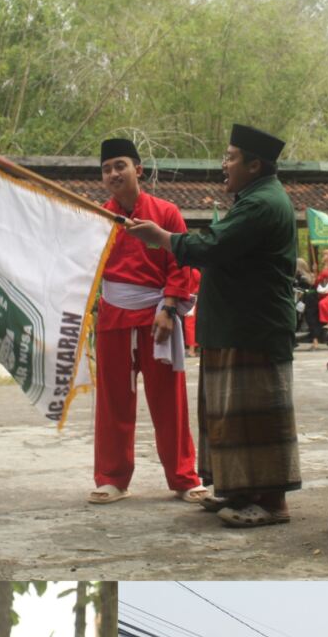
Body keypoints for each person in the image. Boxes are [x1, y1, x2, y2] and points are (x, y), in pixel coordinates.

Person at [126, 124, 300, 528]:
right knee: (232, 413)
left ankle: (273, 502)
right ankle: (240, 490)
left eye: (231, 157)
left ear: (255, 165)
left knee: (258, 416)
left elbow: (213, 246)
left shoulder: (262, 204)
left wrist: (164, 238)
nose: (224, 165)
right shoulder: (251, 199)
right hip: (235, 326)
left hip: (254, 327)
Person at [89, 137, 205, 505]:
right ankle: (112, 478)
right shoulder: (99, 219)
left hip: (157, 315)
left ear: (138, 169)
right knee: (113, 403)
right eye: (107, 169)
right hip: (113, 319)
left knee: (168, 401)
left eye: (119, 165)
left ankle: (185, 477)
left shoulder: (166, 212)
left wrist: (170, 308)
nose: (113, 174)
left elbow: (181, 263)